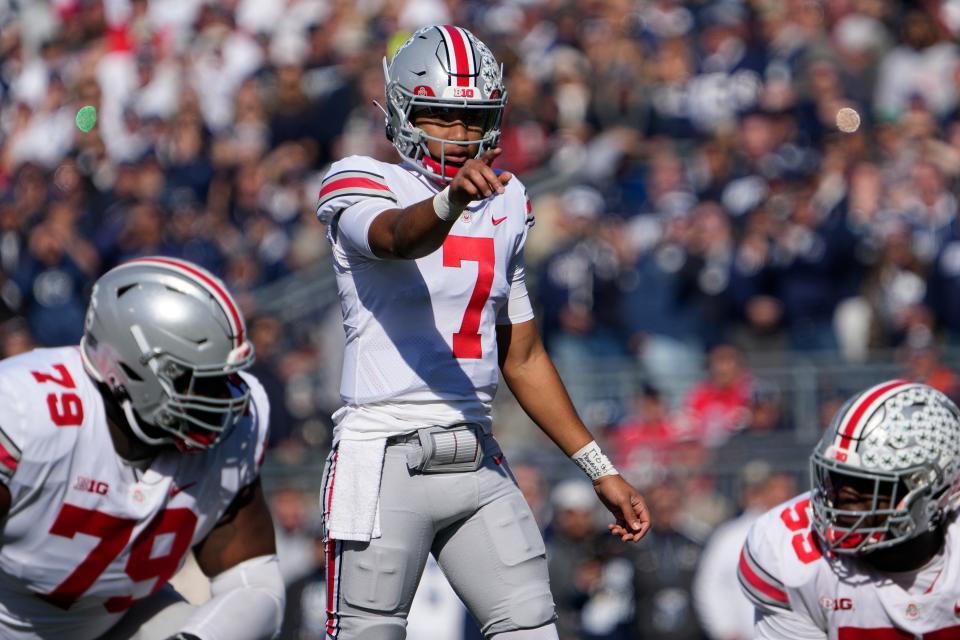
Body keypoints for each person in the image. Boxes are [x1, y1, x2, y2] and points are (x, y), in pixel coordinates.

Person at [315, 25, 649, 640]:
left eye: (474, 118)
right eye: (441, 116)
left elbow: (522, 355)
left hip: (477, 454)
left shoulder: (507, 199)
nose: (461, 134)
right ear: (402, 111)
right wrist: (448, 204)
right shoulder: (358, 177)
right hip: (385, 455)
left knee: (531, 627)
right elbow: (393, 238)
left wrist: (600, 467)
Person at [0, 256, 285, 639]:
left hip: (118, 622)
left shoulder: (236, 428)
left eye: (227, 377)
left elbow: (253, 584)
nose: (226, 398)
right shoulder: (23, 411)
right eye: (198, 380)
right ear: (130, 369)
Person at [738, 380, 960, 638]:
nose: (843, 493)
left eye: (867, 483)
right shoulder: (790, 557)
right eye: (837, 477)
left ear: (937, 493)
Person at [692, 461, 795, 640]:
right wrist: (725, 629)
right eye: (752, 489)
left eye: (763, 488)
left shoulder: (797, 531)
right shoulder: (728, 536)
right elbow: (710, 586)